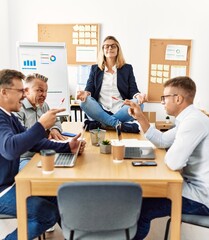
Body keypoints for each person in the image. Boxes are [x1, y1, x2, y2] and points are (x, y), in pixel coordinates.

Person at [0, 69, 86, 240]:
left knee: (59, 197)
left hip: (12, 182)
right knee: (47, 214)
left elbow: (35, 143)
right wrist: (40, 126)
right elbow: (10, 149)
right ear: (4, 92)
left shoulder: (9, 117)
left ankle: (77, 236)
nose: (23, 96)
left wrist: (68, 147)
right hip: (2, 190)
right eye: (20, 91)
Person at [124, 76, 209, 239]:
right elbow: (162, 140)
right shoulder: (188, 119)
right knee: (140, 199)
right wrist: (140, 117)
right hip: (192, 186)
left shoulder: (193, 122)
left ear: (178, 99)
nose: (162, 101)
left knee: (142, 208)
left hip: (202, 196)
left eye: (164, 97)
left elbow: (173, 162)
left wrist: (174, 150)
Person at [77, 35, 147, 133]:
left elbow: (133, 89)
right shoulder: (95, 68)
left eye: (113, 46)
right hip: (101, 110)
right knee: (84, 102)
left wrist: (138, 95)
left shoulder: (127, 68)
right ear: (103, 50)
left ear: (118, 49)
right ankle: (117, 125)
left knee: (139, 104)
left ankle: (103, 124)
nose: (110, 48)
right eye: (106, 46)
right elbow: (90, 87)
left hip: (120, 110)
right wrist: (85, 93)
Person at [13, 73, 67, 171]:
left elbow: (55, 120)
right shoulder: (18, 109)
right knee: (38, 175)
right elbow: (24, 138)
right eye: (40, 90)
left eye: (46, 91)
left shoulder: (44, 105)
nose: (44, 95)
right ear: (26, 91)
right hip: (25, 158)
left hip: (43, 151)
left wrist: (54, 129)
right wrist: (42, 126)